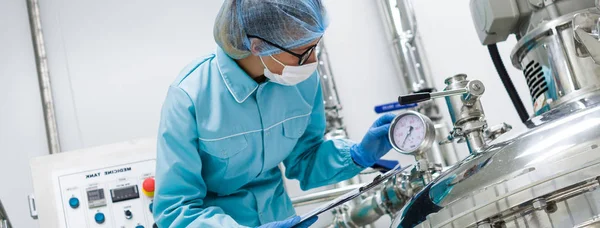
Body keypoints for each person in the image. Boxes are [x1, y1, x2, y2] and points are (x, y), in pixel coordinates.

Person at [153, 0, 396, 227]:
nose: (312, 61)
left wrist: (357, 155)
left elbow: (304, 159)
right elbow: (176, 209)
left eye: (315, 46)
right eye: (301, 51)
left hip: (279, 215)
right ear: (258, 46)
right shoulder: (189, 97)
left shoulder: (301, 81)